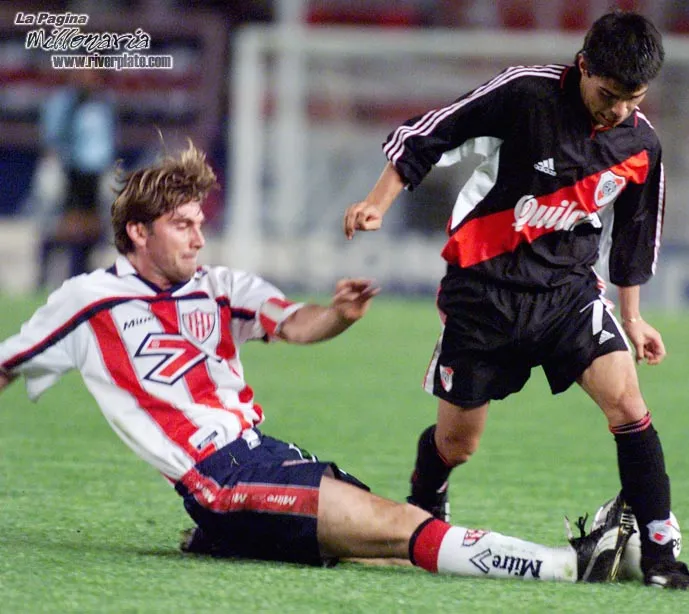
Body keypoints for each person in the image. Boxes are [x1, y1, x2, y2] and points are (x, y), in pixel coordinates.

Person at [0, 141, 632, 584]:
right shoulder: (88, 301)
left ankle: (234, 542)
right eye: (182, 224)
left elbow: (293, 323)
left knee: (392, 539)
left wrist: (337, 315)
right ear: (138, 233)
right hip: (222, 481)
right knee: (397, 527)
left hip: (266, 454)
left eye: (200, 222)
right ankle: (572, 563)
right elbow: (8, 362)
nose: (198, 236)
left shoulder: (217, 286)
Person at [343, 11, 689, 590]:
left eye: (630, 100)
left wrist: (632, 318)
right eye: (607, 95)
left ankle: (662, 553)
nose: (616, 111)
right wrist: (377, 202)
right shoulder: (524, 92)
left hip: (568, 295)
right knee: (459, 443)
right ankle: (424, 509)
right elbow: (434, 130)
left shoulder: (641, 144)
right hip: (484, 294)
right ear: (583, 66)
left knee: (628, 406)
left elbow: (635, 235)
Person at [37, 69, 116, 289]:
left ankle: (82, 273)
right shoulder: (64, 102)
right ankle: (44, 275)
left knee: (93, 226)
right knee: (60, 225)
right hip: (69, 169)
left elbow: (106, 138)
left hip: (95, 172)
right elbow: (53, 136)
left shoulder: (104, 103)